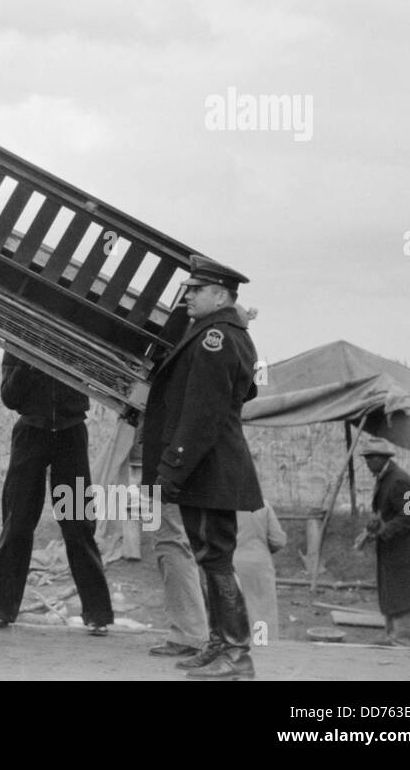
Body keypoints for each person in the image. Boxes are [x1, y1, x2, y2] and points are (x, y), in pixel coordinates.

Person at [141, 254, 264, 679]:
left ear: (220, 295)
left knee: (216, 559)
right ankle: (219, 644)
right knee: (210, 557)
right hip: (206, 468)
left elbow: (202, 414)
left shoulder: (218, 338)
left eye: (196, 290)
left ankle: (236, 652)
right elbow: (242, 392)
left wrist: (172, 467)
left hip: (208, 467)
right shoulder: (218, 333)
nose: (187, 295)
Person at [0, 353, 114, 635]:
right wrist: (29, 364)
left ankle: (97, 615)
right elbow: (9, 397)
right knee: (17, 522)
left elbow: (102, 379)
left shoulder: (76, 338)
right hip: (30, 433)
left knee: (78, 525)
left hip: (70, 434)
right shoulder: (17, 341)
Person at [359, 440, 410, 648]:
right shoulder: (384, 479)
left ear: (382, 459)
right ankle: (393, 636)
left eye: (370, 458)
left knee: (405, 595)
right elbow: (388, 511)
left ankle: (404, 640)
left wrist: (384, 529)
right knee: (393, 593)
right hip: (394, 551)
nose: (367, 462)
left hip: (409, 553)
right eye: (366, 458)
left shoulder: (402, 481)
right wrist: (374, 525)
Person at [233, 499, 287, 645]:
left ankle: (237, 646)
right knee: (261, 610)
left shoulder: (222, 502)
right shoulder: (263, 503)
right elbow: (278, 540)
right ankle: (261, 645)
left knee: (233, 609)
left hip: (232, 563)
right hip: (259, 563)